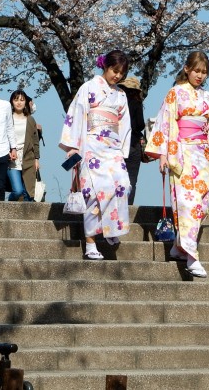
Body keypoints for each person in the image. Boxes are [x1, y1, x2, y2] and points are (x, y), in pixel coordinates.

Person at [144, 51, 209, 278]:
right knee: (187, 204)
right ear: (186, 69)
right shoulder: (174, 93)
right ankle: (192, 256)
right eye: (196, 70)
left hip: (203, 156)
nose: (200, 75)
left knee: (201, 205)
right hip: (182, 155)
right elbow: (165, 123)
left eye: (204, 72)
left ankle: (178, 248)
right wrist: (164, 155)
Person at [59, 50, 132, 260]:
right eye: (114, 70)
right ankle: (90, 243)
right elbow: (77, 114)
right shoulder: (89, 87)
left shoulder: (121, 95)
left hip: (112, 146)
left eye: (121, 73)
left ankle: (111, 229)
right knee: (92, 191)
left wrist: (122, 149)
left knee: (121, 185)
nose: (117, 76)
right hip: (91, 144)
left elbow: (124, 124)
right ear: (105, 67)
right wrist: (73, 146)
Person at [7, 90, 41, 201]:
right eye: (16, 99)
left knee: (28, 193)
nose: (19, 103)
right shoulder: (7, 118)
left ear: (26, 102)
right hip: (12, 159)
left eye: (22, 100)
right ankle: (8, 206)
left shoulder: (30, 119)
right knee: (17, 191)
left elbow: (35, 140)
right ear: (11, 101)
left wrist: (36, 158)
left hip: (28, 158)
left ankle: (27, 216)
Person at [118, 76, 146, 205]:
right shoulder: (136, 102)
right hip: (132, 143)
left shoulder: (116, 101)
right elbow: (140, 124)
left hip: (116, 143)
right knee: (131, 179)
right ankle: (128, 207)